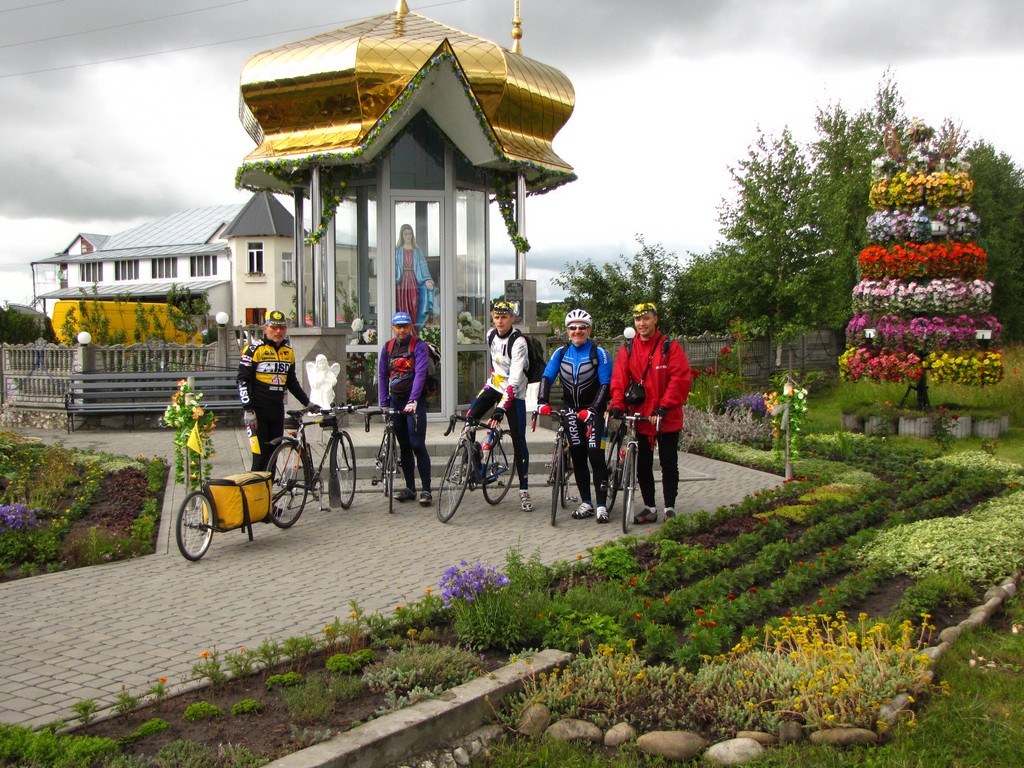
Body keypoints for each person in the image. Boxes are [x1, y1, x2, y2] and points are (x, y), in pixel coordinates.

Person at [608, 302, 691, 523]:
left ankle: (669, 507)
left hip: (666, 417)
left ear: (655, 319)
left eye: (646, 318)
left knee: (668, 463)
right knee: (642, 465)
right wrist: (617, 404)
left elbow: (679, 379)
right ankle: (650, 507)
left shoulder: (669, 347)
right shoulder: (628, 349)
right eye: (638, 319)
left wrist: (664, 406)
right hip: (641, 417)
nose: (642, 323)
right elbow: (619, 379)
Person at [536, 309, 613, 524]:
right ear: (567, 331)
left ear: (589, 330)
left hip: (593, 411)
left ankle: (601, 505)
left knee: (595, 455)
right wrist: (542, 401)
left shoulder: (599, 353)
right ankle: (586, 502)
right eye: (572, 327)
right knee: (578, 456)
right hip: (571, 410)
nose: (577, 331)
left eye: (582, 327)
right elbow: (547, 377)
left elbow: (606, 384)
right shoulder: (560, 353)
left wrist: (594, 409)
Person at [466, 299, 532, 511]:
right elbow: (496, 366)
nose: (500, 321)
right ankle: (476, 464)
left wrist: (500, 409)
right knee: (469, 420)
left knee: (519, 440)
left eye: (504, 317)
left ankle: (524, 488)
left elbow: (514, 380)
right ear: (492, 318)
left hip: (515, 392)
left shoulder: (519, 342)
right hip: (494, 385)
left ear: (512, 318)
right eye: (497, 317)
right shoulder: (490, 335)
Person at [237, 310, 318, 472]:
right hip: (257, 412)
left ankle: (269, 489)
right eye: (274, 328)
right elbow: (242, 380)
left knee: (273, 458)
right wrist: (248, 409)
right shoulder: (253, 350)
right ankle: (256, 489)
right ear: (265, 328)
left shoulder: (288, 352)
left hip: (277, 410)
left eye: (282, 328)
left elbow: (291, 382)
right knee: (260, 459)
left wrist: (308, 403)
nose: (278, 331)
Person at [377, 311, 433, 506]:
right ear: (392, 328)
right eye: (398, 327)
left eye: (405, 326)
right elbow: (382, 375)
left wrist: (413, 400)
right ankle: (410, 489)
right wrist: (384, 402)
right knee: (404, 446)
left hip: (414, 403)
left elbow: (420, 374)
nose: (401, 330)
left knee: (417, 444)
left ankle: (426, 490)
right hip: (396, 401)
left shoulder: (419, 346)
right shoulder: (388, 347)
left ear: (410, 327)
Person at [395, 224, 435, 328]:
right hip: (401, 283)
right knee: (401, 305)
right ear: (402, 235)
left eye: (409, 234)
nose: (408, 236)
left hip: (413, 281)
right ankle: (403, 329)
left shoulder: (417, 252)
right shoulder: (397, 251)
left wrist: (427, 279)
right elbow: (393, 268)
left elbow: (423, 266)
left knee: (414, 304)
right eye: (405, 234)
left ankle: (413, 329)